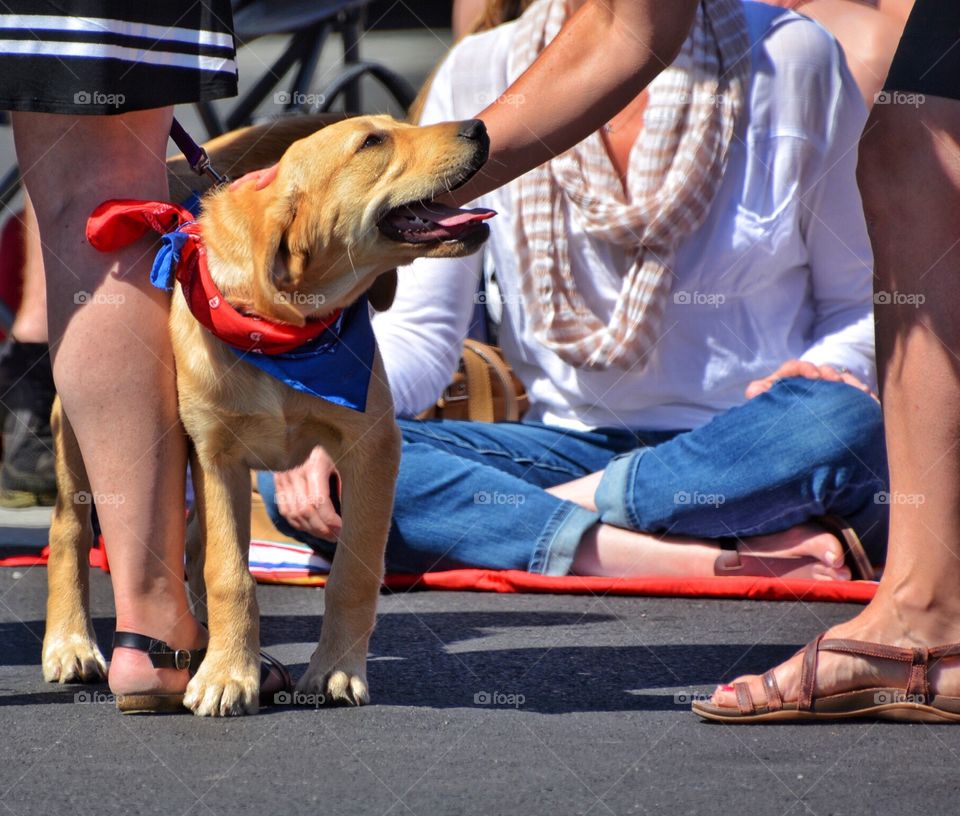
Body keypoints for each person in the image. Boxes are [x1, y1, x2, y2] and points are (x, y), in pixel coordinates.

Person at [257, 0, 887, 581]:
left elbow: (862, 308)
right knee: (308, 465)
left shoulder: (793, 55)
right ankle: (676, 559)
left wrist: (828, 369)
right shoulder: (484, 67)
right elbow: (422, 335)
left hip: (753, 450)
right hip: (563, 444)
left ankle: (544, 521)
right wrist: (329, 414)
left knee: (837, 422)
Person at [697, 0, 960, 722]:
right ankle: (926, 605)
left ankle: (925, 608)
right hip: (585, 444)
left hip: (792, 430)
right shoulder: (486, 60)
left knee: (911, 149)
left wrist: (429, 180)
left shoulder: (805, 51)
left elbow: (622, 37)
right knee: (910, 149)